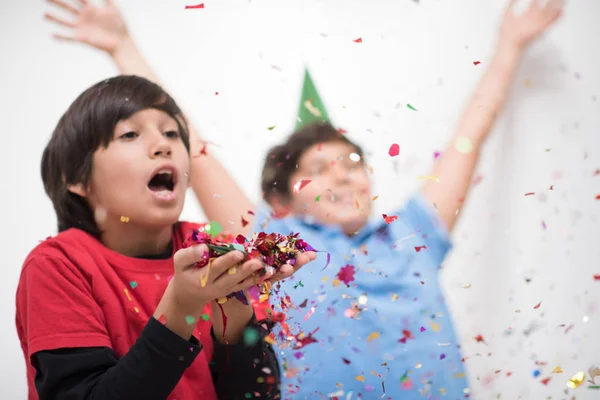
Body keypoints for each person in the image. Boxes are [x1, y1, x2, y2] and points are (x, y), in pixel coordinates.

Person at [42, 0, 563, 398]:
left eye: (354, 163)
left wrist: (510, 45)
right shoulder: (274, 242)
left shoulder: (414, 233)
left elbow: (467, 140)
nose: (343, 176)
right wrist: (122, 45)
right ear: (284, 200)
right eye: (318, 169)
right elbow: (188, 147)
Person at [15, 75, 315, 400]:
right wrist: (181, 307)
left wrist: (235, 327)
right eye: (130, 133)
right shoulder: (57, 266)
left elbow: (258, 393)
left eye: (171, 132)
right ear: (77, 177)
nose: (164, 144)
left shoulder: (212, 249)